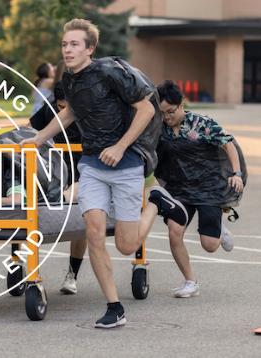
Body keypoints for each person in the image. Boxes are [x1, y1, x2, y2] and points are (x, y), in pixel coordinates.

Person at [22, 18, 188, 328]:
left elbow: (147, 109)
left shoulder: (111, 71)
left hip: (126, 163)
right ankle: (114, 307)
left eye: (74, 44)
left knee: (126, 245)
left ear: (90, 48)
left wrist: (122, 147)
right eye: (64, 44)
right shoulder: (70, 81)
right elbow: (70, 112)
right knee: (95, 232)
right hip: (92, 165)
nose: (67, 49)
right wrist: (38, 138)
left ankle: (155, 203)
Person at [155, 80, 244, 298]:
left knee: (210, 246)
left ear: (181, 104)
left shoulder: (201, 123)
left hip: (208, 187)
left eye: (171, 112)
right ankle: (190, 281)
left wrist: (237, 174)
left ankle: (218, 229)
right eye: (163, 113)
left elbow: (228, 143)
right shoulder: (160, 128)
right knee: (174, 232)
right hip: (180, 188)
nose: (167, 117)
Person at [30, 77, 86, 295]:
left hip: (82, 169)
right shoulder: (49, 109)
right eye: (60, 106)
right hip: (55, 169)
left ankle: (72, 274)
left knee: (81, 218)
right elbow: (30, 128)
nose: (63, 111)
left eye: (67, 107)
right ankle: (21, 266)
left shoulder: (88, 109)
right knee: (31, 211)